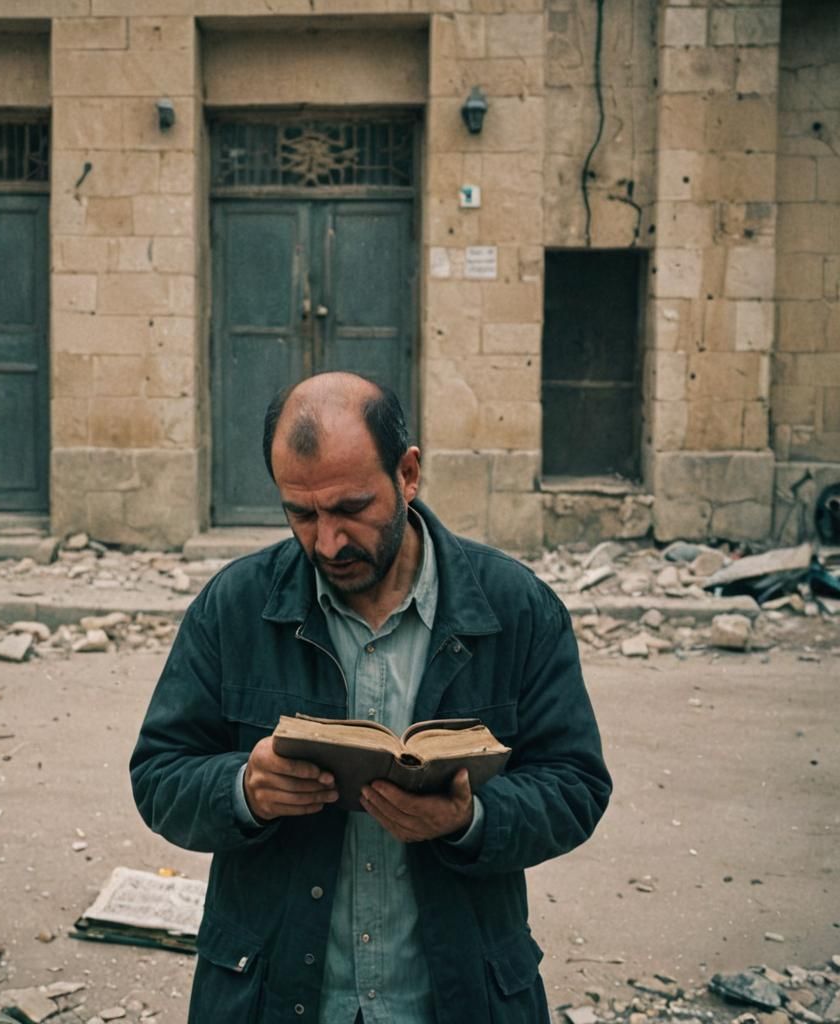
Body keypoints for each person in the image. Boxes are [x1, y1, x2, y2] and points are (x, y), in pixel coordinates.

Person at [130, 371, 611, 1024]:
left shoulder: (516, 607)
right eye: (301, 514)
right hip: (269, 998)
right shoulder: (234, 608)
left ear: (408, 475)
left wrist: (469, 821)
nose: (327, 542)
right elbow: (159, 775)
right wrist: (243, 788)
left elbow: (576, 783)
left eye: (351, 509)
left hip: (461, 997)